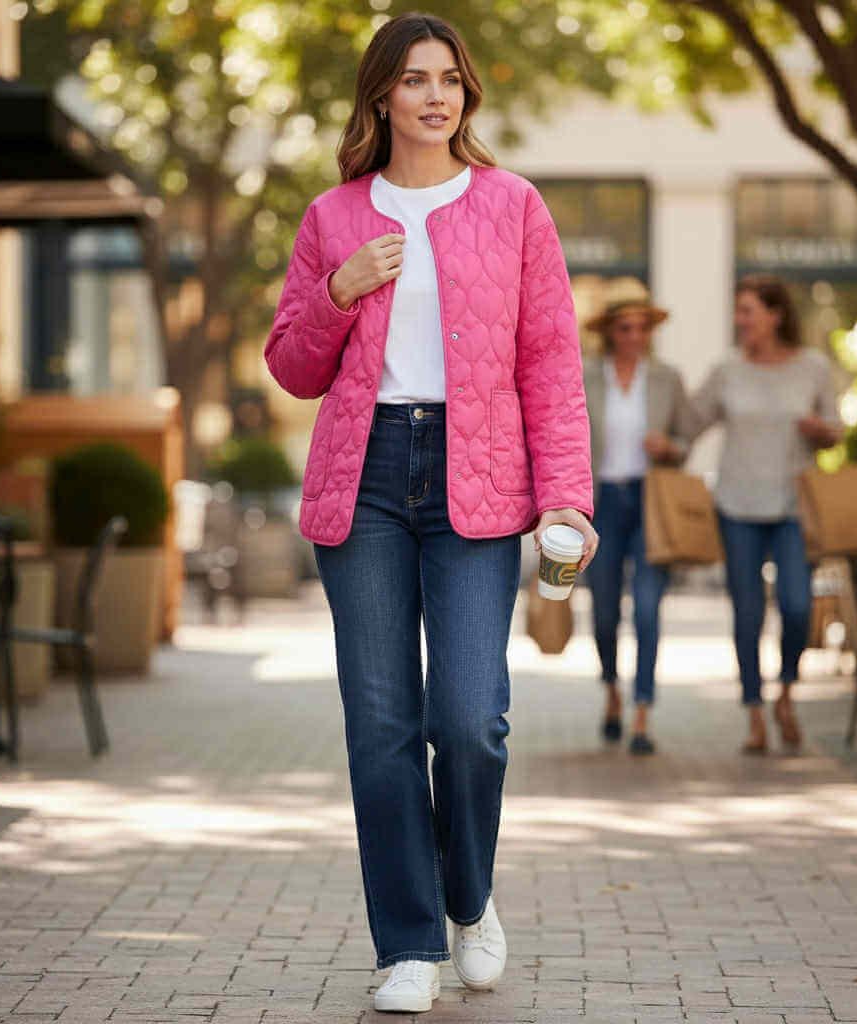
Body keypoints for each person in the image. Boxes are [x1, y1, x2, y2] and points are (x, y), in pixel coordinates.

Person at [264, 13, 597, 1014]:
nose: (434, 95)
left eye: (448, 79)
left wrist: (566, 501)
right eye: (413, 80)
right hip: (363, 478)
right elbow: (290, 365)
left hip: (478, 479)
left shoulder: (512, 206)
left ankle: (468, 896)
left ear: (466, 95)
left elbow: (550, 366)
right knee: (381, 723)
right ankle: (406, 943)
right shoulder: (333, 215)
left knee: (470, 719)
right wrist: (335, 289)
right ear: (381, 97)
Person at [692, 275, 841, 753]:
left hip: (794, 508)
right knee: (748, 613)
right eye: (739, 312)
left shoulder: (813, 368)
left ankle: (787, 691)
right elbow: (691, 422)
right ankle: (755, 711)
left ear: (776, 316)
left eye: (749, 311)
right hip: (736, 506)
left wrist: (822, 430)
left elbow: (837, 430)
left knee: (798, 606)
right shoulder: (727, 371)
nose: (741, 321)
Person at [583, 287, 697, 756]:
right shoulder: (587, 376)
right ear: (610, 331)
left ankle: (643, 712)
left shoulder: (667, 378)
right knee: (605, 609)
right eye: (626, 326)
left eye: (644, 327)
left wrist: (671, 448)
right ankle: (611, 687)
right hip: (602, 501)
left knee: (648, 608)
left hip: (652, 502)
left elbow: (688, 437)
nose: (636, 336)